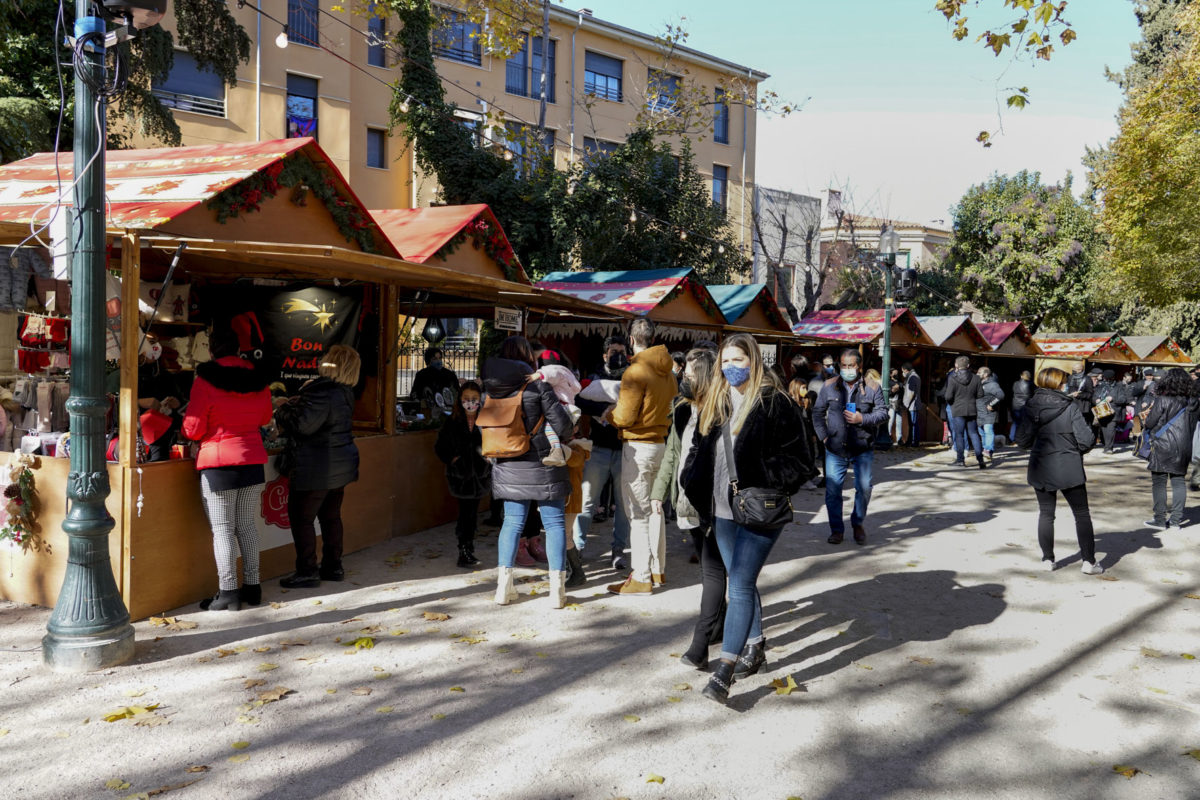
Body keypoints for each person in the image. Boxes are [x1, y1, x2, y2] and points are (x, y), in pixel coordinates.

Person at [681, 333, 813, 704]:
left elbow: (802, 462)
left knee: (738, 585)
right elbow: (698, 449)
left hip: (759, 510)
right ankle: (754, 646)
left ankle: (723, 673)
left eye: (738, 360)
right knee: (743, 581)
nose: (730, 368)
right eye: (725, 361)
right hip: (721, 511)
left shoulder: (775, 402)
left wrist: (765, 480)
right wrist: (693, 480)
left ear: (754, 361)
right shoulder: (717, 402)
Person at [181, 328, 273, 611]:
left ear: (212, 351)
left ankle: (229, 593)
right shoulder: (258, 377)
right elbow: (265, 417)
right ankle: (253, 588)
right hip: (253, 461)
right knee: (246, 527)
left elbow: (193, 428)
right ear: (239, 349)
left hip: (219, 464)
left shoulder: (205, 379)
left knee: (223, 531)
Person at [483, 336, 575, 608]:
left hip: (508, 462)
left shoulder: (491, 389)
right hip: (544, 462)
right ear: (527, 358)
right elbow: (563, 426)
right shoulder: (538, 386)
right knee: (555, 524)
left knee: (511, 523)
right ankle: (557, 593)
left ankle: (503, 588)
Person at [651, 348, 725, 668]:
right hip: (686, 501)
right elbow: (672, 453)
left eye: (691, 374)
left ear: (706, 376)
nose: (684, 377)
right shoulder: (681, 408)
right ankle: (723, 625)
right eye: (685, 372)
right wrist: (658, 493)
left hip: (715, 503)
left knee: (714, 569)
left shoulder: (722, 411)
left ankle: (701, 642)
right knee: (714, 570)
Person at [274, 345, 362, 588]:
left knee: (302, 518)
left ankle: (307, 570)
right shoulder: (344, 392)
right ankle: (333, 566)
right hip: (338, 465)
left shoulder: (323, 391)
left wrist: (283, 408)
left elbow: (303, 425)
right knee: (330, 517)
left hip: (317, 466)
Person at [607, 318, 678, 596]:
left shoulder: (635, 372)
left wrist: (608, 414)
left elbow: (624, 416)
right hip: (661, 443)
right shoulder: (668, 371)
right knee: (656, 509)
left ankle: (641, 576)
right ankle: (657, 570)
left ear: (632, 339)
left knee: (638, 514)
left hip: (638, 446)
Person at [1015, 367, 1104, 574]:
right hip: (1068, 465)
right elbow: (1086, 441)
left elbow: (1021, 441)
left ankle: (1048, 559)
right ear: (1058, 384)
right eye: (1064, 381)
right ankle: (1088, 562)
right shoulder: (1069, 406)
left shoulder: (1030, 406)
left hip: (1040, 466)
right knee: (1081, 514)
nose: (1067, 385)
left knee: (1046, 514)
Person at [812, 348, 888, 545]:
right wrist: (824, 438)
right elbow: (818, 413)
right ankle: (836, 529)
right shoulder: (829, 386)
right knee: (833, 490)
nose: (847, 369)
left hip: (862, 446)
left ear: (859, 367)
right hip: (835, 448)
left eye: (851, 366)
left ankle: (858, 523)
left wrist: (862, 418)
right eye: (843, 366)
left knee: (864, 487)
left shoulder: (872, 387)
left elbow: (883, 413)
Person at [572, 334, 631, 566]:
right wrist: (606, 409)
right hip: (598, 449)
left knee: (623, 506)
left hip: (625, 449)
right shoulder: (594, 377)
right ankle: (577, 548)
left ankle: (619, 550)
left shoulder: (632, 376)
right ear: (605, 354)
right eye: (614, 352)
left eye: (622, 351)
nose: (619, 355)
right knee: (587, 502)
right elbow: (580, 401)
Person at [434, 380, 491, 568]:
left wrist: (488, 459)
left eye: (474, 399)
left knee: (472, 514)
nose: (470, 402)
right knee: (465, 513)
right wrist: (453, 460)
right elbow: (440, 447)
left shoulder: (485, 420)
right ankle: (464, 550)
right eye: (466, 398)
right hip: (461, 476)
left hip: (480, 475)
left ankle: (468, 548)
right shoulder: (452, 421)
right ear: (460, 399)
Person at [1142, 367, 1199, 530]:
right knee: (1179, 481)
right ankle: (1175, 521)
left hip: (1163, 445)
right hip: (1185, 446)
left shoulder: (1163, 399)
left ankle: (1159, 520)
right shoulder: (1194, 401)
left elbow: (1150, 423)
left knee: (1159, 483)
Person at [137, 333, 184, 462]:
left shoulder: (165, 375)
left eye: (154, 343)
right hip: (134, 434)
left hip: (163, 433)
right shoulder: (126, 374)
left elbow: (182, 403)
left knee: (159, 464)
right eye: (149, 343)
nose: (153, 347)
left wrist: (177, 403)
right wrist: (139, 402)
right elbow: (114, 403)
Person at [944, 356, 985, 468]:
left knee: (959, 435)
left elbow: (948, 396)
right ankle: (980, 459)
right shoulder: (976, 378)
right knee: (974, 434)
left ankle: (960, 460)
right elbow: (980, 395)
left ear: (956, 366)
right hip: (971, 409)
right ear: (968, 366)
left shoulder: (952, 378)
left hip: (957, 409)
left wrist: (953, 403)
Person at [409, 346, 459, 414]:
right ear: (428, 360)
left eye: (440, 358)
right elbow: (415, 393)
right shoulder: (422, 375)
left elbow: (457, 392)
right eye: (435, 359)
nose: (438, 361)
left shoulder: (449, 375)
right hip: (427, 411)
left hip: (447, 411)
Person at [1094, 369, 1127, 454]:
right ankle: (1106, 445)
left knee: (1111, 429)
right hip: (1102, 411)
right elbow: (1093, 396)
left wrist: (1113, 399)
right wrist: (1096, 400)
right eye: (1106, 378)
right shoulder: (1100, 386)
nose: (1107, 380)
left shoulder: (1119, 387)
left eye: (1109, 378)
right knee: (1104, 429)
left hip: (1113, 412)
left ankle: (1109, 448)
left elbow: (1123, 399)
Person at [976, 366, 1005, 461]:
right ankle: (985, 449)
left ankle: (988, 450)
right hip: (979, 412)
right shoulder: (978, 383)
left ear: (985, 374)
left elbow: (1001, 395)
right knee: (982, 432)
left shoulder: (992, 384)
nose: (977, 374)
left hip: (989, 412)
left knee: (988, 430)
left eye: (979, 372)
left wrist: (991, 404)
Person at [901, 362, 922, 446]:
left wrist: (906, 404)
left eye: (902, 370)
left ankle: (914, 441)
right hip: (913, 404)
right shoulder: (914, 376)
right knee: (913, 424)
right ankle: (912, 441)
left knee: (913, 424)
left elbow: (911, 393)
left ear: (906, 370)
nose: (902, 372)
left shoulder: (912, 377)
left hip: (912, 405)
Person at [1009, 370, 1033, 442]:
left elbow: (1013, 391)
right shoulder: (1031, 384)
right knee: (1025, 424)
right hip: (1025, 406)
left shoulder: (1015, 383)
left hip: (1016, 405)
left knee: (1015, 423)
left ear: (1021, 376)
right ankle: (1023, 440)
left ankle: (1012, 438)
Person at [887, 367, 904, 445]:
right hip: (891, 403)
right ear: (890, 374)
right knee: (890, 420)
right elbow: (889, 393)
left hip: (899, 403)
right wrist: (893, 389)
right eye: (894, 373)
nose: (896, 374)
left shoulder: (900, 382)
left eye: (897, 373)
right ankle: (888, 436)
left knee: (899, 421)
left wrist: (897, 387)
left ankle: (899, 438)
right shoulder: (888, 382)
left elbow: (901, 386)